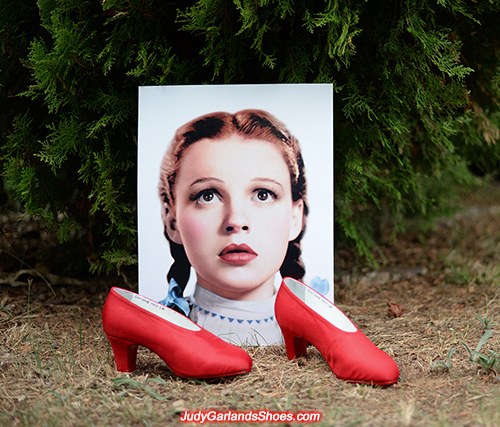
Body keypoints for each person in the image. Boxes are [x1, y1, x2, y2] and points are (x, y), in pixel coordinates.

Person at [157, 109, 308, 346]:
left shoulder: (319, 332)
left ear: (295, 217)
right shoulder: (154, 331)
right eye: (207, 196)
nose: (236, 220)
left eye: (263, 194)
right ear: (172, 222)